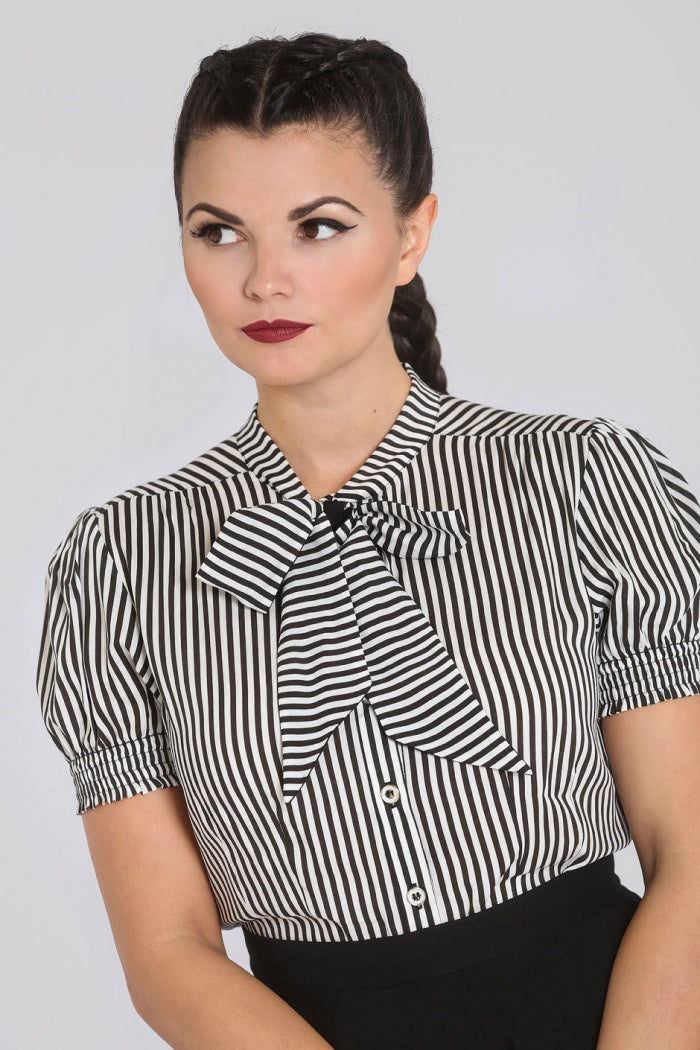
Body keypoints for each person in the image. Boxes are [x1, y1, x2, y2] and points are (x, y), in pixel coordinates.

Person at [35, 31, 700, 1050]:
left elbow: (689, 855)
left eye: (318, 227)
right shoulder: (121, 567)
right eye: (219, 232)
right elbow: (167, 954)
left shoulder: (585, 486)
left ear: (410, 235)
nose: (265, 280)